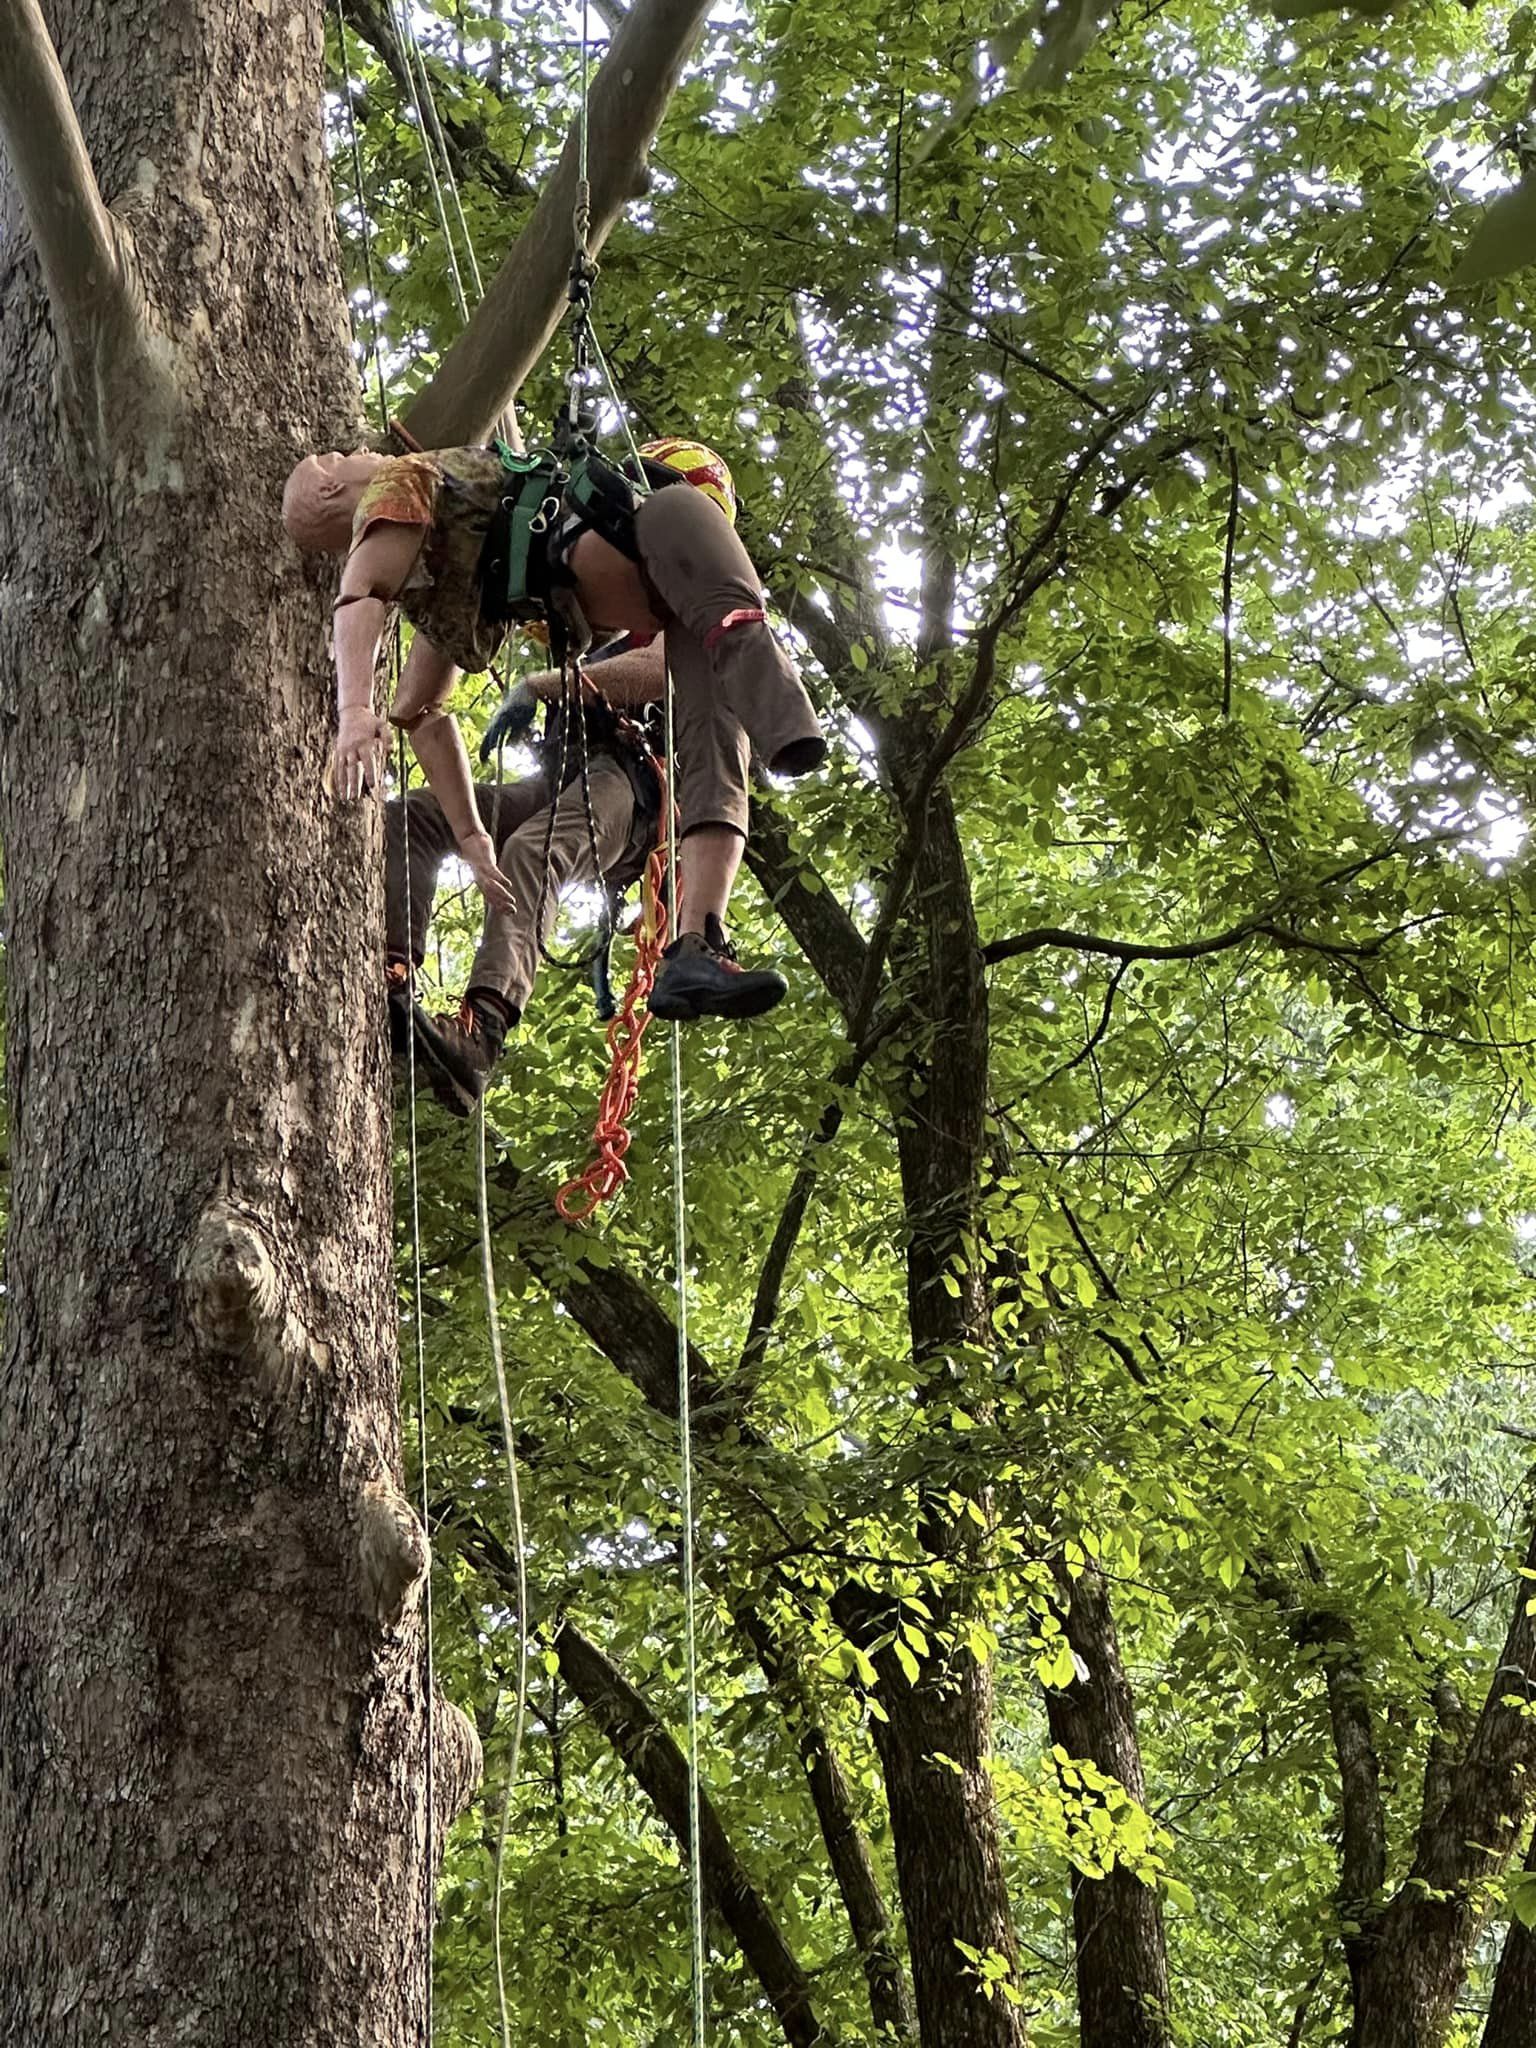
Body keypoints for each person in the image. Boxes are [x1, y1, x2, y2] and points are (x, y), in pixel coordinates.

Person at [281, 431, 826, 1109]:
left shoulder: (658, 544)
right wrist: (471, 835)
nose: (356, 457)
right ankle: (393, 973)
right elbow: (418, 709)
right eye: (341, 460)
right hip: (568, 770)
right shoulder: (454, 562)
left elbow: (663, 670)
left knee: (536, 848)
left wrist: (536, 686)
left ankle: (489, 1026)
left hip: (626, 779)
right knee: (413, 821)